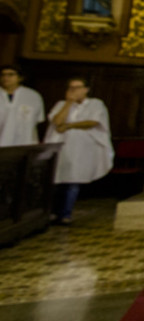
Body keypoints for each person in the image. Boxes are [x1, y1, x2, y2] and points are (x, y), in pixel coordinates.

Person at [43, 77, 113, 224]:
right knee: (55, 180)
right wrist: (68, 103)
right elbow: (57, 121)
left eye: (77, 87)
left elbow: (92, 122)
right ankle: (51, 213)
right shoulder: (61, 104)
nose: (73, 91)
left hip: (81, 149)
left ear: (86, 89)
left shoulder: (95, 104)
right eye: (70, 88)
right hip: (61, 147)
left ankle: (66, 214)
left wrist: (69, 126)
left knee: (73, 180)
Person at [0, 64, 45, 146]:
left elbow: (38, 120)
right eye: (3, 75)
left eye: (10, 74)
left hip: (24, 143)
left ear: (20, 78)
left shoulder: (33, 96)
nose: (5, 78)